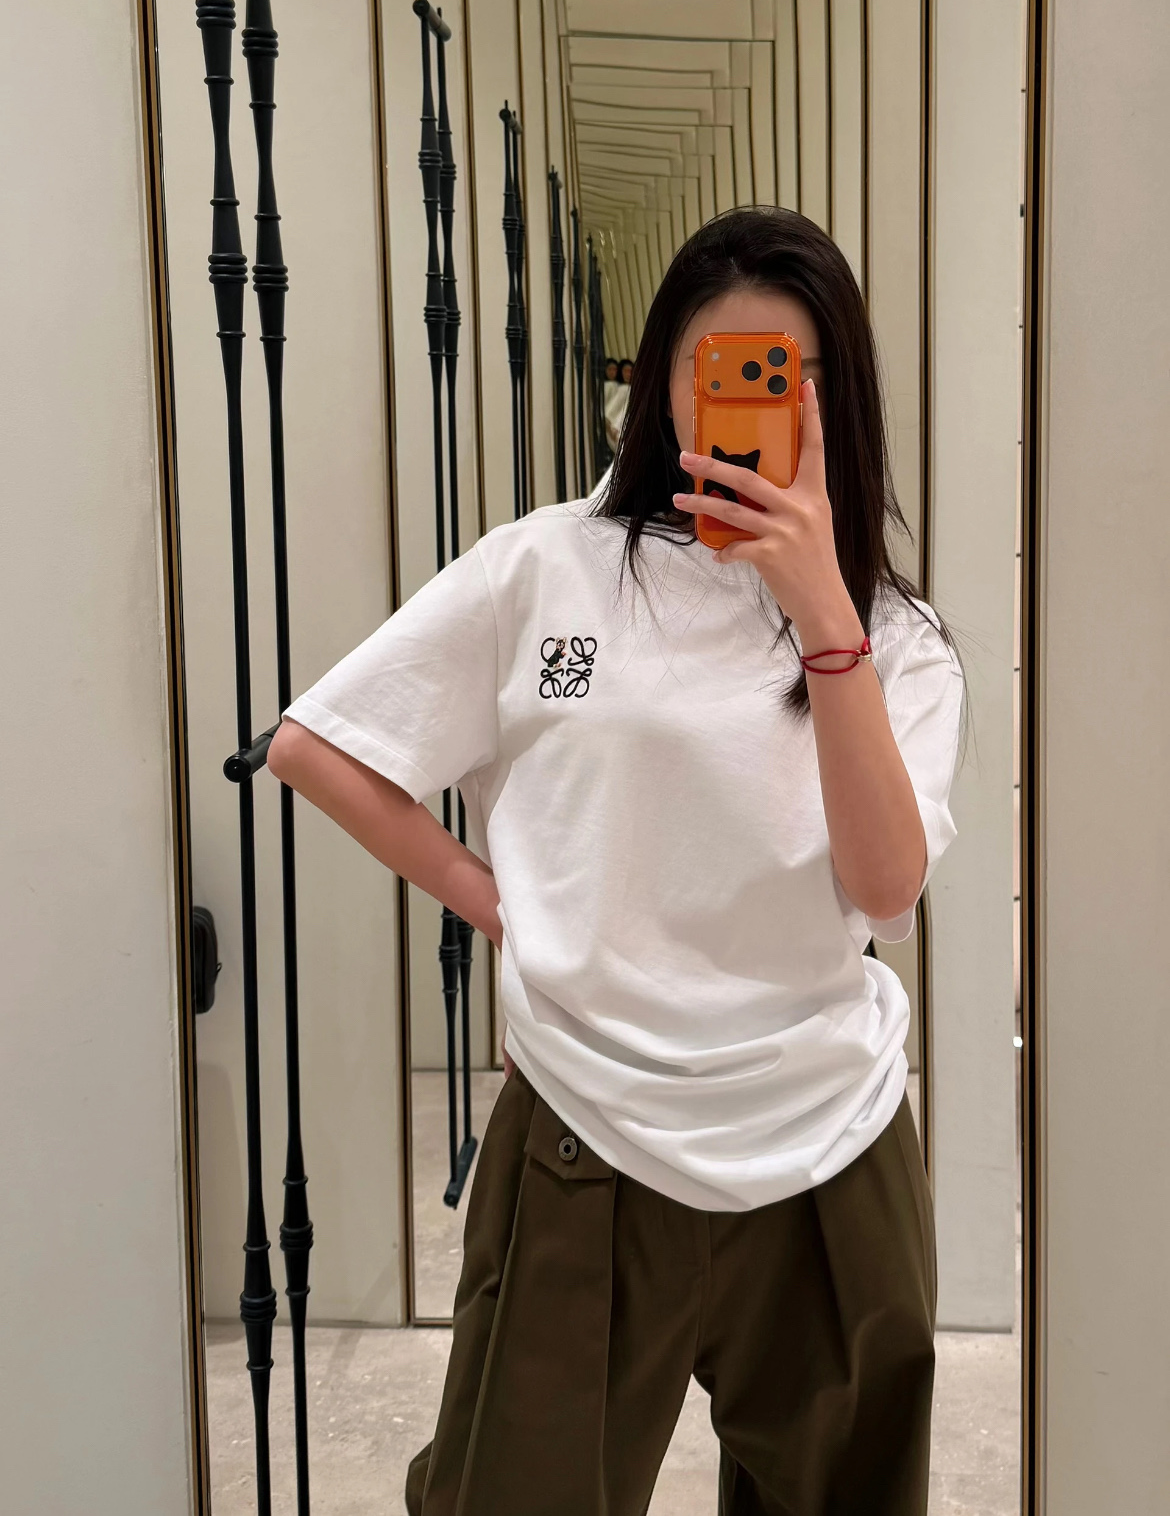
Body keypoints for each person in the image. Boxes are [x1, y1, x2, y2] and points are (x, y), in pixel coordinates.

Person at [268, 205, 965, 1515]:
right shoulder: (553, 574)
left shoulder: (898, 640)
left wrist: (824, 613)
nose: (747, 405)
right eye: (718, 370)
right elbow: (317, 746)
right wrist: (495, 902)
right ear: (660, 384)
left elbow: (884, 890)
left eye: (789, 375)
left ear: (839, 398)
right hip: (584, 1128)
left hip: (827, 1139)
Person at [603, 356, 631, 451]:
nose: (628, 374)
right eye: (625, 371)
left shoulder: (626, 389)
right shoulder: (615, 387)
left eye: (630, 371)